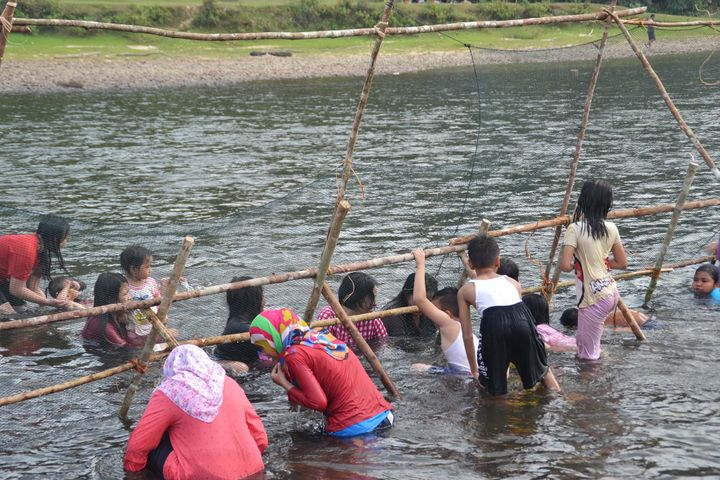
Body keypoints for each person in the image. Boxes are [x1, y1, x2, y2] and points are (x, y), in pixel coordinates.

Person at [124, 344, 267, 480]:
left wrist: (132, 473)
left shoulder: (171, 390)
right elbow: (260, 437)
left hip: (200, 475)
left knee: (154, 445)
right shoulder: (228, 383)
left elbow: (138, 445)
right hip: (253, 470)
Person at [250, 308, 393, 437]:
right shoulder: (319, 336)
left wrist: (284, 383)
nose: (262, 354)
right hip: (384, 416)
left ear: (274, 338)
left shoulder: (294, 354)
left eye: (261, 346)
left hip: (354, 429)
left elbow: (318, 402)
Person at [458, 235, 560, 395]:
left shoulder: (466, 291)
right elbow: (515, 314)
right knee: (542, 368)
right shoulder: (514, 284)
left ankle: (501, 414)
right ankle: (558, 395)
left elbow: (467, 335)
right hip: (523, 321)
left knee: (494, 386)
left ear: (470, 264)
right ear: (497, 262)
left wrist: (474, 370)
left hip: (494, 325)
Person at [559, 179, 627, 361]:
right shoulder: (611, 228)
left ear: (583, 201)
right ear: (607, 204)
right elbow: (621, 262)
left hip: (592, 297)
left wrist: (579, 265)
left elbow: (565, 265)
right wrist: (599, 261)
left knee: (588, 356)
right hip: (610, 291)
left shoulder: (574, 229)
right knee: (585, 342)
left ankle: (593, 386)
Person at [410, 249, 479, 375]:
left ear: (447, 314)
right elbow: (479, 282)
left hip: (464, 376)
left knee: (416, 367)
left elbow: (420, 299)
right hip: (477, 372)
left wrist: (420, 265)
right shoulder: (465, 325)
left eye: (435, 310)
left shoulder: (449, 324)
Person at [0, 214, 71, 315]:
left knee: (21, 309)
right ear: (55, 238)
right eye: (65, 238)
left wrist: (46, 306)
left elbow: (32, 287)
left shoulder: (40, 250)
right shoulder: (26, 251)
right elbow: (16, 289)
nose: (67, 241)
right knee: (9, 315)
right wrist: (48, 302)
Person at [315, 272, 388, 345]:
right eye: (371, 298)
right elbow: (320, 347)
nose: (374, 303)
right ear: (357, 298)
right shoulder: (328, 317)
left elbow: (383, 345)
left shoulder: (372, 319)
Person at [214, 276, 265, 373]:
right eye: (262, 296)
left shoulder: (235, 321)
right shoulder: (244, 329)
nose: (264, 301)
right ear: (255, 301)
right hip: (234, 368)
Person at [81, 272, 145, 349]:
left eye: (129, 293)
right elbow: (126, 347)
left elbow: (145, 326)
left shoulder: (121, 313)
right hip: (105, 355)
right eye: (125, 294)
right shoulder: (104, 326)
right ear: (110, 299)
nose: (130, 297)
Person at [121, 245, 162, 337]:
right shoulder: (123, 285)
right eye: (147, 267)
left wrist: (162, 315)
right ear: (134, 269)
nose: (150, 270)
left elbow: (158, 299)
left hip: (153, 322)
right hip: (133, 328)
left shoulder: (150, 282)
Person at [381, 271, 439, 337]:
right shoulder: (392, 315)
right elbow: (400, 344)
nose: (423, 304)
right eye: (420, 300)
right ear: (407, 294)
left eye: (428, 300)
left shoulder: (429, 310)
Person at [559, 306, 650, 329]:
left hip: (647, 326)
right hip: (646, 318)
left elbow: (630, 330)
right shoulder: (594, 314)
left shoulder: (599, 325)